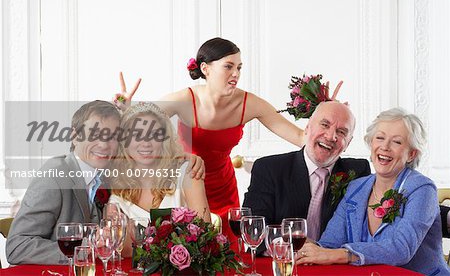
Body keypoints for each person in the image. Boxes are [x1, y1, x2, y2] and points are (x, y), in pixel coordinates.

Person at [115, 37, 342, 239]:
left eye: (239, 68)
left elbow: (300, 137)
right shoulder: (184, 99)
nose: (236, 74)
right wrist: (123, 109)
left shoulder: (250, 103)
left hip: (223, 189)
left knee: (224, 253)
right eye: (229, 66)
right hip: (186, 184)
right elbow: (139, 126)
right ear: (205, 69)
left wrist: (326, 112)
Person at [297, 108, 449, 275]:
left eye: (396, 142)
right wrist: (311, 249)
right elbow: (330, 244)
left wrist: (341, 255)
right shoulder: (356, 188)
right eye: (380, 138)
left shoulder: (422, 189)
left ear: (411, 154)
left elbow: (401, 248)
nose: (384, 147)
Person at [242, 101, 371, 251]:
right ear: (308, 127)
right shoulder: (269, 169)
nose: (331, 136)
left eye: (341, 132)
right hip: (284, 263)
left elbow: (362, 232)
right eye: (324, 125)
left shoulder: (357, 172)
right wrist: (290, 246)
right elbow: (254, 230)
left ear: (348, 143)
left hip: (333, 265)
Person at [6, 100, 120, 265]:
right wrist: (85, 249)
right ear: (74, 137)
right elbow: (17, 247)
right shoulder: (53, 176)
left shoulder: (104, 176)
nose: (103, 144)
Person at [108, 102, 211, 257]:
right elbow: (120, 251)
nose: (146, 143)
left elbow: (207, 240)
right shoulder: (115, 186)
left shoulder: (188, 172)